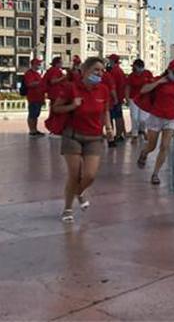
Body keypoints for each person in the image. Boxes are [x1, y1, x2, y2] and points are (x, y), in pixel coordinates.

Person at [52, 57, 114, 223]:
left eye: (102, 71)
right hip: (73, 135)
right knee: (74, 174)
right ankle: (67, 208)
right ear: (85, 71)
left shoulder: (103, 89)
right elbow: (56, 108)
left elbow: (105, 111)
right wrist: (72, 105)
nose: (100, 74)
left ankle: (78, 192)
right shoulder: (71, 88)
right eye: (96, 70)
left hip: (94, 137)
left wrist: (108, 128)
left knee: (90, 175)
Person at [137, 59, 174, 185]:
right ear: (168, 70)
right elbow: (143, 90)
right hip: (156, 116)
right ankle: (144, 152)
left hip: (171, 118)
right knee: (152, 146)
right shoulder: (158, 80)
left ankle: (155, 174)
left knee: (164, 146)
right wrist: (158, 82)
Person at [125, 59, 154, 141]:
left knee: (143, 118)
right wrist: (127, 98)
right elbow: (128, 87)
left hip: (145, 99)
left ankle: (143, 130)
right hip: (133, 99)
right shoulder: (131, 76)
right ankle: (134, 134)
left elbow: (152, 85)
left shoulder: (148, 74)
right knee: (134, 117)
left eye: (136, 67)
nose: (134, 68)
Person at [107, 54, 127, 142]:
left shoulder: (114, 72)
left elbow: (112, 87)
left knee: (113, 117)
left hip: (114, 99)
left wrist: (115, 98)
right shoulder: (120, 71)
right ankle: (120, 134)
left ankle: (116, 135)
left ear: (112, 61)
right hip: (119, 97)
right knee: (119, 116)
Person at [24, 57, 46, 136]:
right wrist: (40, 82)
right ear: (33, 64)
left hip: (39, 97)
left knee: (36, 114)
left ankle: (35, 129)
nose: (39, 65)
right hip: (33, 97)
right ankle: (32, 130)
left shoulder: (37, 74)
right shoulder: (29, 73)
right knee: (32, 114)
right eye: (38, 63)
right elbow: (29, 84)